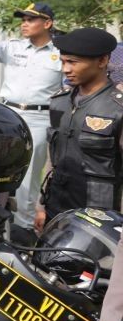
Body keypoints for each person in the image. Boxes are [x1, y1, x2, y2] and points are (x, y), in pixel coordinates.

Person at [0, 3, 62, 228]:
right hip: (7, 115)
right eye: (23, 19)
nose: (24, 23)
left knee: (27, 178)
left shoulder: (60, 53)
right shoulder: (12, 46)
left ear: (47, 23)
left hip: (40, 118)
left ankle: (23, 229)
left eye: (30, 19)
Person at [34, 28, 123, 230]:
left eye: (73, 62)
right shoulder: (60, 102)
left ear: (102, 61)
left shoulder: (117, 109)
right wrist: (41, 205)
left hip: (98, 218)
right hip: (56, 208)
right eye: (63, 61)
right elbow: (52, 158)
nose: (65, 69)